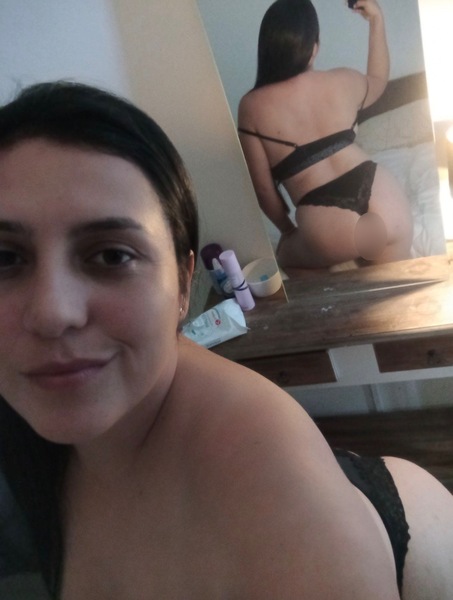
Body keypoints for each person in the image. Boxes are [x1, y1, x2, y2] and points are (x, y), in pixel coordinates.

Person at [0, 81, 451, 600]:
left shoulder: (274, 486)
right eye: (5, 258)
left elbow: (272, 202)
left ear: (183, 283)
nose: (53, 313)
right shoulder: (28, 430)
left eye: (111, 256)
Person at [238, 0, 414, 270]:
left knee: (286, 258)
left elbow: (263, 190)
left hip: (329, 224)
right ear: (314, 48)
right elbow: (379, 80)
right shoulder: (342, 80)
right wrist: (376, 20)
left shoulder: (251, 107)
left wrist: (288, 231)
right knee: (397, 287)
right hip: (386, 200)